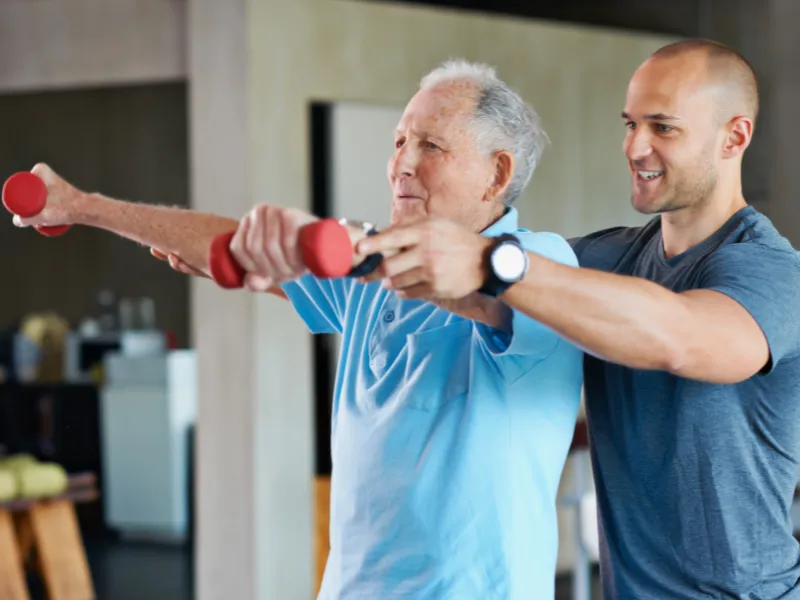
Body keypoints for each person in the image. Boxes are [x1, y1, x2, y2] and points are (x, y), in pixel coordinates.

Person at [11, 61, 583, 599]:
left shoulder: (535, 263)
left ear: (497, 174)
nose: (403, 163)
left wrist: (335, 245)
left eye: (431, 145)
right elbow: (229, 241)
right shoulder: (368, 272)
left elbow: (471, 283)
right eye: (400, 141)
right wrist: (79, 206)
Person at [357, 39, 800, 599]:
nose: (635, 146)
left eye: (663, 128)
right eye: (630, 123)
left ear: (734, 137)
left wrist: (488, 263)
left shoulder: (772, 273)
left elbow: (681, 339)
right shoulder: (602, 260)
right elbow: (483, 279)